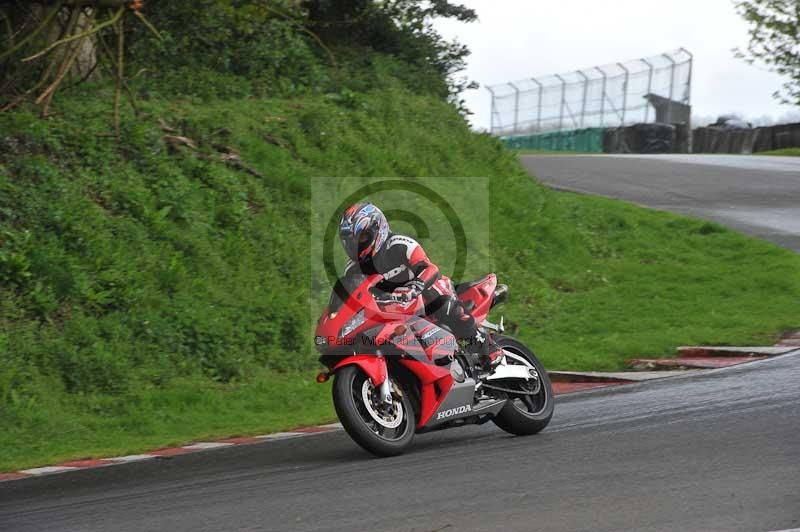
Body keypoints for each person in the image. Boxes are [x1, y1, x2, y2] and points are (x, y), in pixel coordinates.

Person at [338, 202, 503, 369]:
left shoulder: (398, 244)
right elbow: (354, 296)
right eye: (350, 241)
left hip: (425, 293)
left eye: (362, 237)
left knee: (442, 302)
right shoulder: (352, 269)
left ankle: (488, 348)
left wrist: (415, 287)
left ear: (377, 228)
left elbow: (429, 268)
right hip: (395, 310)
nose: (355, 245)